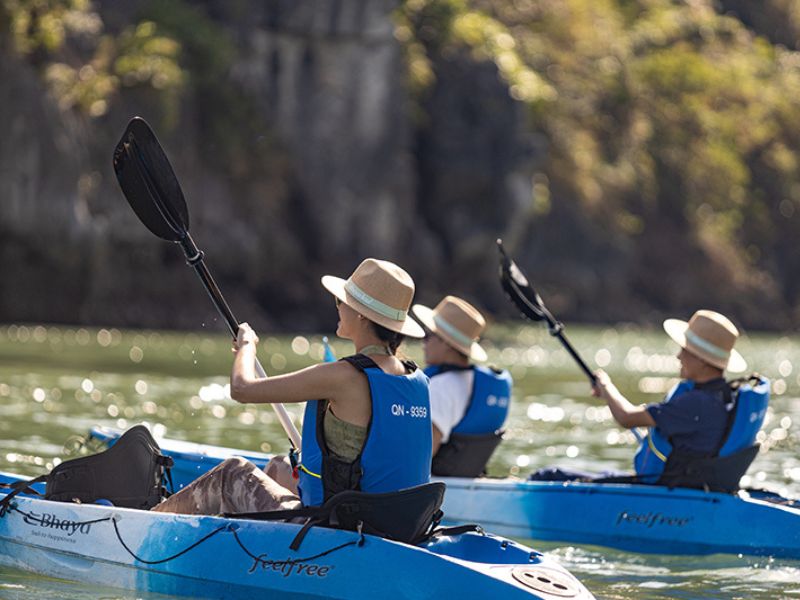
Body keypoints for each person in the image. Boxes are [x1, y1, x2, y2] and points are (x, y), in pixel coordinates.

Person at [152, 258, 431, 514]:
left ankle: (148, 521)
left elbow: (242, 389)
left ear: (361, 315)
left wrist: (246, 347)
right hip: (390, 521)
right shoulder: (417, 380)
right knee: (279, 467)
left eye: (340, 300)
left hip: (338, 527)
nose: (337, 306)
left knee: (231, 473)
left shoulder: (343, 376)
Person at [530, 309, 769, 490]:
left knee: (548, 476)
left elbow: (626, 418)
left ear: (703, 359)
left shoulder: (696, 403)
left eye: (684, 350)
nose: (678, 355)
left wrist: (606, 386)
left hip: (664, 492)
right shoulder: (723, 396)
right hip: (685, 486)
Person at [411, 296, 512, 477]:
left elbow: (422, 455)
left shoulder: (441, 387)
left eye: (428, 336)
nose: (423, 343)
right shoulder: (472, 380)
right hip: (467, 478)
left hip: (441, 483)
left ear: (447, 343)